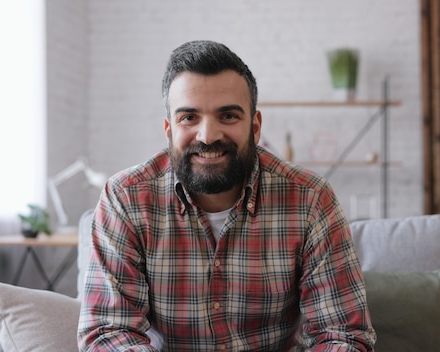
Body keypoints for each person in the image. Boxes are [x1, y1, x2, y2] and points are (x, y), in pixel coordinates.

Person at [77, 40, 376, 351]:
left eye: (228, 116)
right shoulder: (125, 199)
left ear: (255, 126)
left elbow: (343, 335)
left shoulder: (311, 199)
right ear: (169, 130)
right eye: (189, 118)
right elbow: (108, 333)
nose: (208, 136)